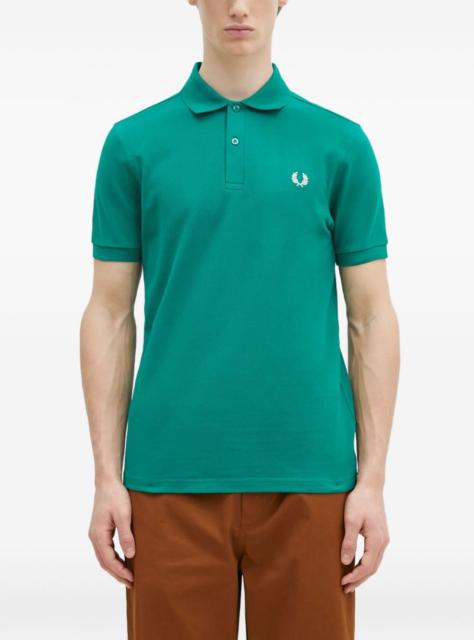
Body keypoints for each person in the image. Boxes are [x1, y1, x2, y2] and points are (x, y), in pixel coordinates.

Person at [80, 1, 400, 638]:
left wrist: (372, 481)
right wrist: (106, 478)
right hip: (168, 479)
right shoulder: (133, 144)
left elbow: (371, 317)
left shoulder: (340, 145)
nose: (238, 6)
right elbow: (109, 313)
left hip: (313, 478)